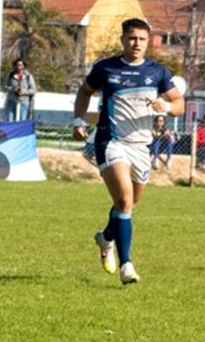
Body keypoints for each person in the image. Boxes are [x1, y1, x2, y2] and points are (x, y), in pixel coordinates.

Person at [72, 17, 184, 285]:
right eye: (132, 38)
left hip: (141, 146)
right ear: (122, 39)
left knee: (130, 203)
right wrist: (78, 120)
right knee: (124, 199)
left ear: (148, 42)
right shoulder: (106, 68)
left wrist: (165, 107)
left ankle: (106, 237)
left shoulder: (158, 72)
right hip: (111, 142)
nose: (137, 43)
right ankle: (127, 265)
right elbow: (85, 91)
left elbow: (179, 103)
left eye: (142, 39)